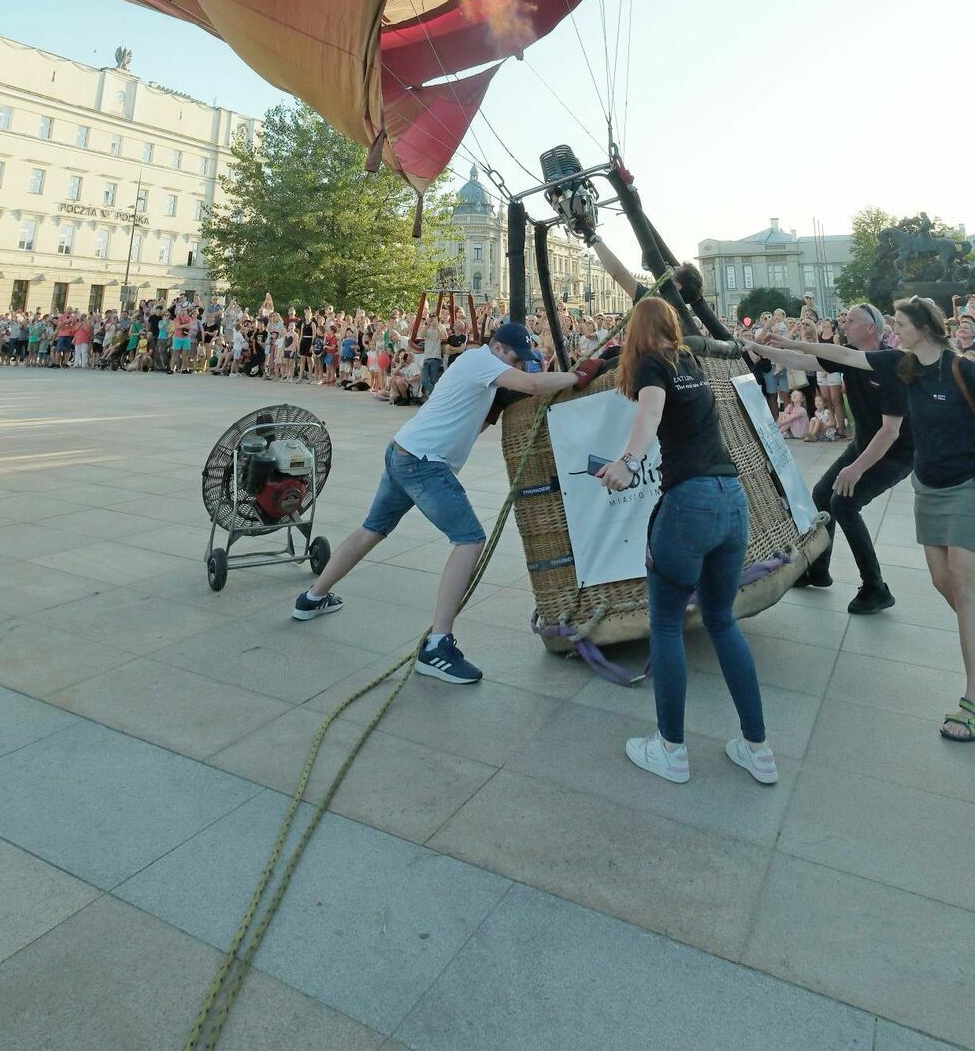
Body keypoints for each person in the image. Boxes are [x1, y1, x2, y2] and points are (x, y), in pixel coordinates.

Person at [293, 322, 591, 684]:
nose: (518, 365)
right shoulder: (481, 361)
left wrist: (491, 413)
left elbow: (467, 423)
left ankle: (312, 598)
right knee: (469, 539)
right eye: (515, 357)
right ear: (497, 347)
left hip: (403, 449)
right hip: (422, 463)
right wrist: (577, 376)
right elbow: (531, 384)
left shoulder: (479, 368)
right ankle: (437, 646)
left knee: (372, 529)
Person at [795, 295, 975, 740]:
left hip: (969, 487)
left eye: (900, 323)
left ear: (922, 326)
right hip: (930, 488)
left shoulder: (963, 368)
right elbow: (843, 354)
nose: (894, 329)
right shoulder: (901, 364)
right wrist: (792, 342)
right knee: (947, 585)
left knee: (964, 585)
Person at [594, 296, 775, 786]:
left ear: (637, 331)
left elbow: (650, 414)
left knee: (668, 625)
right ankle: (758, 748)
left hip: (689, 502)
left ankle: (671, 749)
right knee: (721, 620)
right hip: (731, 498)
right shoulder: (690, 359)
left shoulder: (653, 364)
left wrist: (627, 464)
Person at [753, 304, 913, 614]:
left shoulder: (892, 364)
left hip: (897, 453)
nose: (844, 323)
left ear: (871, 329)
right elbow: (800, 360)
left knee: (845, 504)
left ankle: (875, 587)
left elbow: (891, 432)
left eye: (851, 320)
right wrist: (756, 348)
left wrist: (855, 469)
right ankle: (818, 569)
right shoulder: (849, 356)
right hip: (865, 443)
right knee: (821, 495)